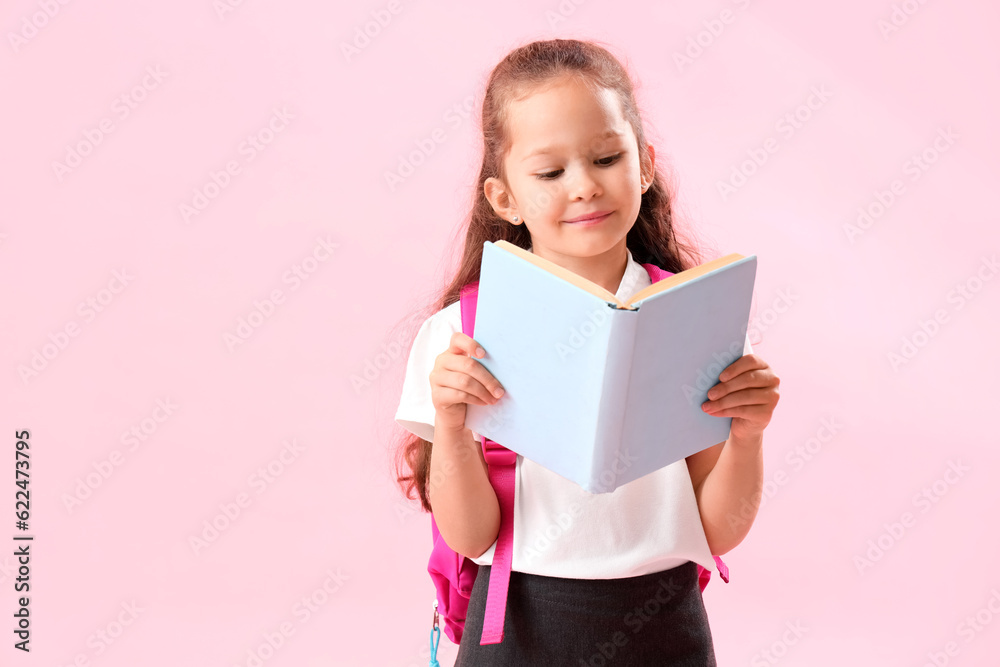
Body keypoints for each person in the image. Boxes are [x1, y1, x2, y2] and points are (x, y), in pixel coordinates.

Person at [392, 38, 780, 666]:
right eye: (550, 172)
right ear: (504, 198)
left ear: (646, 165)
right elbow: (469, 536)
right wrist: (455, 425)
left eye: (606, 157)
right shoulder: (458, 336)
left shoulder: (699, 320)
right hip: (517, 626)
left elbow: (719, 531)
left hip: (664, 626)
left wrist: (748, 434)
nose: (584, 188)